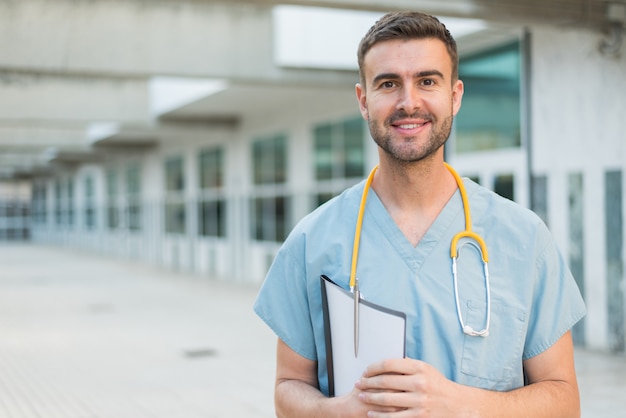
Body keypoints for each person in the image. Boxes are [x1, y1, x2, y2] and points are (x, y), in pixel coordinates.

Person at [254, 10, 586, 418]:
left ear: (455, 96)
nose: (408, 102)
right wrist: (344, 411)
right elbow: (288, 389)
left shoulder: (524, 239)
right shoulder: (313, 241)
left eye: (427, 81)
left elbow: (564, 401)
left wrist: (461, 404)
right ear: (364, 100)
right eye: (389, 83)